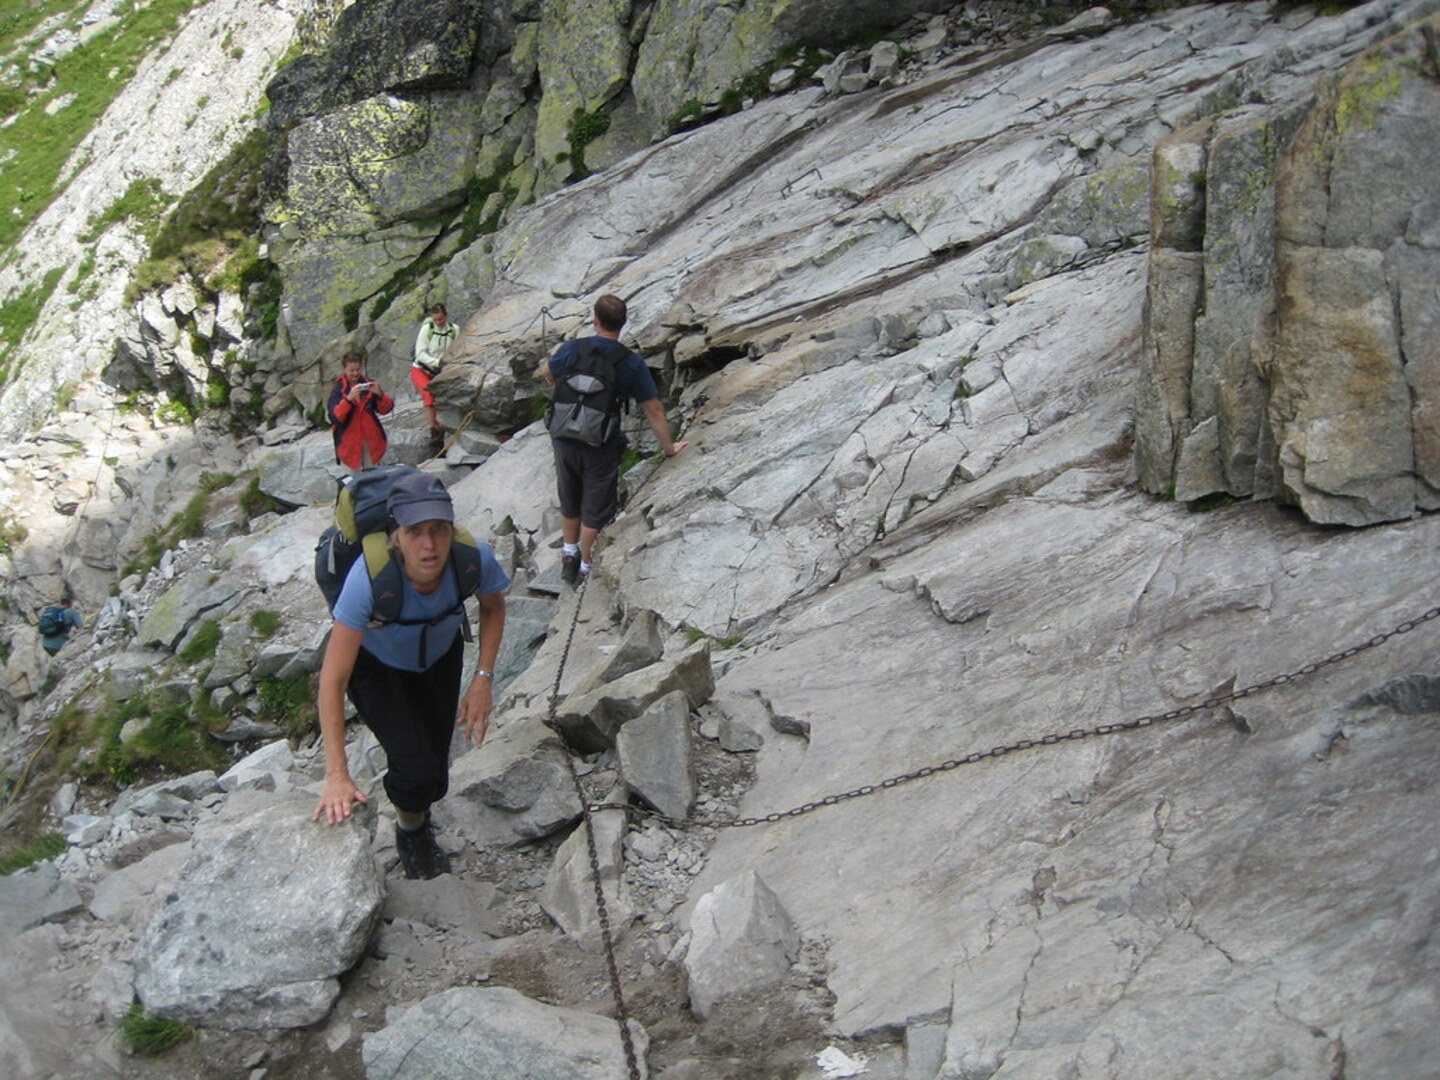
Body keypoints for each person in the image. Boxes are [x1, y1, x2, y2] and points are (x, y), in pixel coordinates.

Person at [311, 471, 509, 880]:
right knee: (416, 769)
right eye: (414, 531)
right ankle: (411, 833)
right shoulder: (368, 579)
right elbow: (332, 681)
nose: (429, 544)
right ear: (395, 535)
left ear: (452, 529)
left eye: (439, 529)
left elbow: (493, 608)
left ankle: (417, 810)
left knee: (435, 774)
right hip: (375, 666)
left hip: (438, 656)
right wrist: (336, 774)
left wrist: (482, 679)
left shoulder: (472, 559)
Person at [537, 294, 687, 586]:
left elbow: (548, 372)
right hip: (602, 444)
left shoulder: (573, 349)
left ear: (595, 321)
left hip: (564, 439)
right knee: (595, 508)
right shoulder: (630, 362)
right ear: (624, 323)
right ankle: (585, 566)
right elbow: (653, 408)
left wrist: (551, 371)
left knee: (569, 496)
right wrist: (668, 448)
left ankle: (568, 555)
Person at [327, 351, 394, 471]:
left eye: (358, 370)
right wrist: (348, 399)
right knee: (353, 480)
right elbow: (335, 417)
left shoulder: (368, 384)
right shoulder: (338, 389)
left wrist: (379, 394)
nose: (355, 373)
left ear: (362, 367)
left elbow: (386, 409)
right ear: (344, 369)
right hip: (349, 444)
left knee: (373, 477)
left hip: (370, 440)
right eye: (351, 370)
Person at [412, 303, 457, 449]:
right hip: (421, 370)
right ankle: (434, 429)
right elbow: (420, 354)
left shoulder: (454, 330)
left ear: (446, 316)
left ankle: (445, 426)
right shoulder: (427, 330)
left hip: (440, 371)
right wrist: (437, 362)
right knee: (428, 395)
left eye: (441, 319)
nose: (438, 322)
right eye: (436, 320)